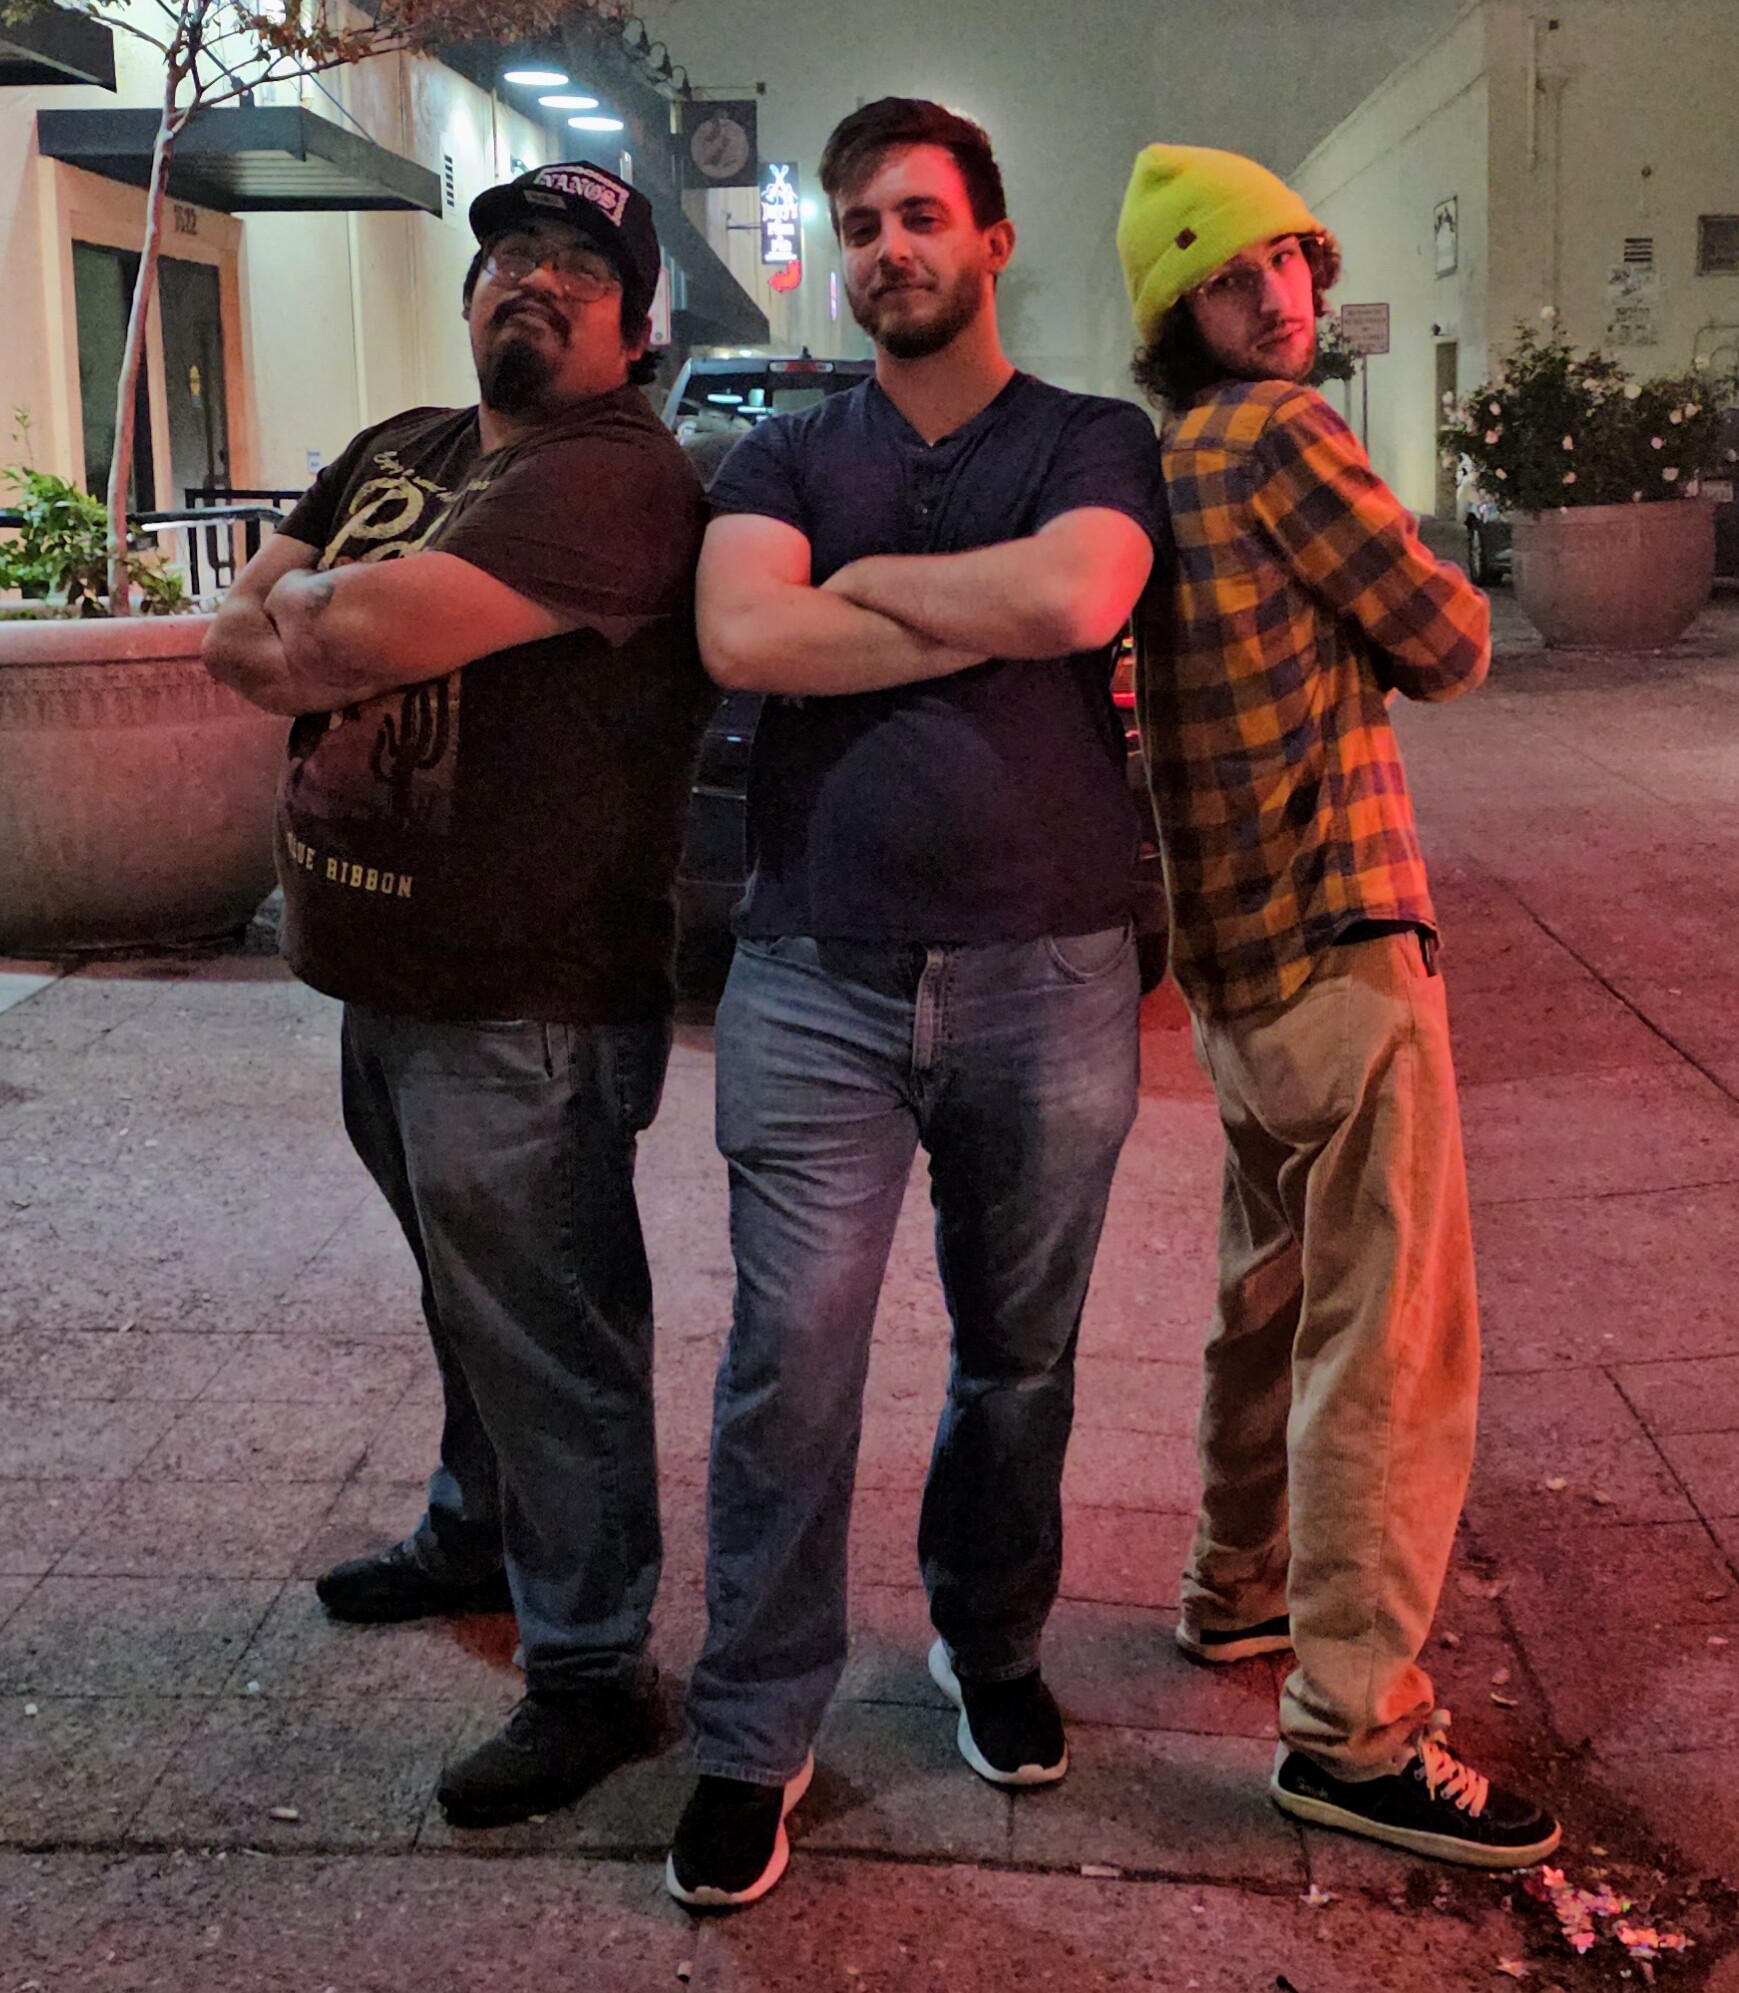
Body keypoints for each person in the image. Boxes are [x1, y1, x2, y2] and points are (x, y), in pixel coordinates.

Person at [664, 97, 1163, 1912]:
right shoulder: (784, 451)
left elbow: (1084, 592)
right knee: (790, 1360)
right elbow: (744, 637)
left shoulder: (1094, 435)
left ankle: (990, 1637)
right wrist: (983, 611)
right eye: (862, 222)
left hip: (1053, 967)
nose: (889, 248)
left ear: (993, 239)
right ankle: (752, 1727)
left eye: (921, 215)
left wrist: (866, 595)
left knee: (1019, 1353)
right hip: (817, 973)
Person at [203, 161, 712, 1830]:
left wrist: (316, 624)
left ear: (635, 329)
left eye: (579, 265)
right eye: (510, 253)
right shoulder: (401, 446)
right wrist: (316, 625)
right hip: (383, 981)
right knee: (464, 1296)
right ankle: (475, 1532)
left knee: (551, 1331)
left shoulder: (617, 477)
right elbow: (237, 637)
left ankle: (592, 1668)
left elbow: (333, 632)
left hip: (529, 1003)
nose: (533, 278)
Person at [1115, 143, 1560, 1867]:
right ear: (1182, 309)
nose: (1279, 297)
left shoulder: (1166, 461)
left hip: (1234, 967)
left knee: (1267, 1289)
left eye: (1290, 261)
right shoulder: (1289, 438)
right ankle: (1355, 1729)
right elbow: (1454, 639)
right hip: (1344, 932)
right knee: (1391, 1337)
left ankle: (1235, 1582)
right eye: (1233, 278)